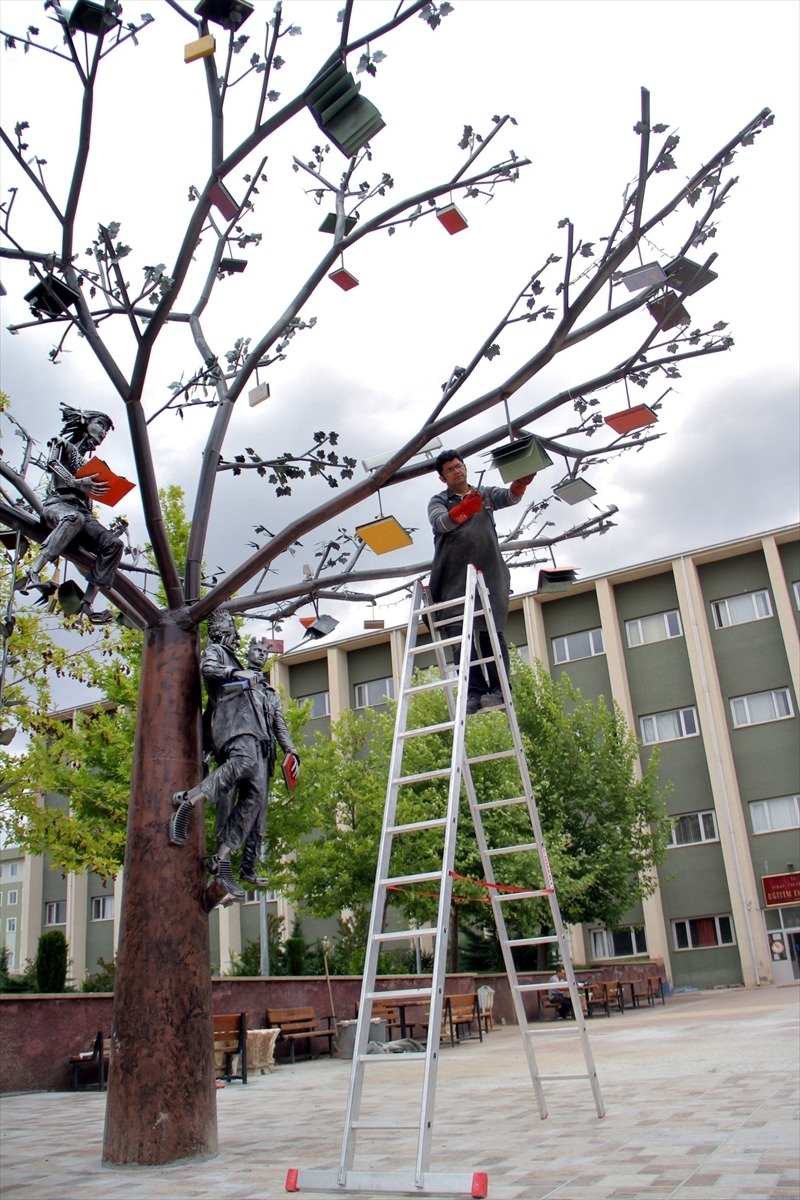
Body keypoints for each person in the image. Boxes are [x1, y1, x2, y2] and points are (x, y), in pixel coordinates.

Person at [169, 613, 298, 906]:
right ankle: (187, 800)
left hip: (253, 736)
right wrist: (237, 675)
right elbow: (208, 669)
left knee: (254, 799)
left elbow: (278, 724)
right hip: (233, 731)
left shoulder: (260, 684)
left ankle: (223, 856)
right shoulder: (218, 653)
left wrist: (291, 751)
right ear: (219, 630)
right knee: (244, 765)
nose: (235, 635)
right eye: (231, 629)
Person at [427, 449, 535, 715]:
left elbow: (508, 497)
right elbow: (440, 523)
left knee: (490, 633)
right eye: (450, 469)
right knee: (459, 635)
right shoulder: (439, 500)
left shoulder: (483, 494)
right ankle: (473, 691)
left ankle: (499, 689)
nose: (457, 471)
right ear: (443, 478)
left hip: (488, 575)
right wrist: (462, 511)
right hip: (453, 577)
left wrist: (519, 484)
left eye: (459, 466)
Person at [16, 404, 123, 623]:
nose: (102, 433)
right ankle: (33, 572)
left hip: (83, 513)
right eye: (100, 425)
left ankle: (88, 604)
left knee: (114, 544)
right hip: (59, 505)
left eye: (105, 430)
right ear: (85, 422)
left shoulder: (90, 464)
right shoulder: (62, 444)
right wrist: (76, 482)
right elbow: (52, 463)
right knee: (74, 518)